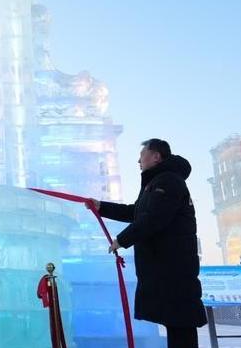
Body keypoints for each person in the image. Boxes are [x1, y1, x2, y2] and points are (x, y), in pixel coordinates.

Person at [91, 139, 206, 348]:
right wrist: (101, 207)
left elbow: (153, 218)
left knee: (180, 324)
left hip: (174, 267)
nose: (138, 160)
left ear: (156, 156)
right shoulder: (156, 183)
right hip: (167, 267)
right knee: (176, 321)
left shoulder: (168, 181)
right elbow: (135, 212)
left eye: (142, 154)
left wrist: (121, 240)